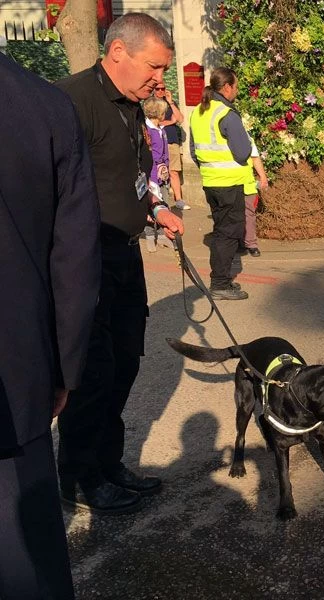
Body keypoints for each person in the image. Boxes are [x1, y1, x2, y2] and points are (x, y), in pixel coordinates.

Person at [55, 12, 184, 515]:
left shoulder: (134, 105)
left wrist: (156, 208)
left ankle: (108, 465)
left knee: (125, 366)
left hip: (126, 259)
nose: (160, 78)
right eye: (154, 66)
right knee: (92, 376)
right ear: (117, 53)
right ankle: (79, 480)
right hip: (85, 264)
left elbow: (128, 177)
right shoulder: (70, 102)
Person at [0, 52, 100, 600]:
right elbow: (75, 261)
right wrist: (63, 368)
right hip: (19, 374)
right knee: (26, 552)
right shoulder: (44, 104)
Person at [189, 66, 252, 300]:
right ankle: (220, 284)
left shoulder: (199, 111)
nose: (236, 91)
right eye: (235, 86)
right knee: (228, 233)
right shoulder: (226, 113)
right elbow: (243, 151)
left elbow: (194, 151)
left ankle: (221, 280)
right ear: (226, 87)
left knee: (220, 230)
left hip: (210, 181)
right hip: (229, 183)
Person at [142, 95, 174, 251]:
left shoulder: (161, 129)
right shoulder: (147, 130)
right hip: (152, 174)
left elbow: (165, 153)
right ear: (158, 113)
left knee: (164, 204)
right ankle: (149, 235)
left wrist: (166, 168)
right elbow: (148, 155)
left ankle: (162, 235)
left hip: (163, 175)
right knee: (150, 205)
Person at [153, 83, 189, 209]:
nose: (161, 91)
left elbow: (180, 119)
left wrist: (171, 102)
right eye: (158, 89)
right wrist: (170, 122)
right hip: (158, 141)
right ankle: (160, 200)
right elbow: (154, 122)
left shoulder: (169, 103)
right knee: (160, 171)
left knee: (173, 171)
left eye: (163, 88)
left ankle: (179, 200)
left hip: (172, 141)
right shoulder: (150, 103)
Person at [243, 138, 269, 257]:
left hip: (246, 183)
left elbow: (254, 157)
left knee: (249, 215)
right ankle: (237, 242)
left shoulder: (246, 137)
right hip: (227, 184)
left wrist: (262, 176)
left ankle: (251, 244)